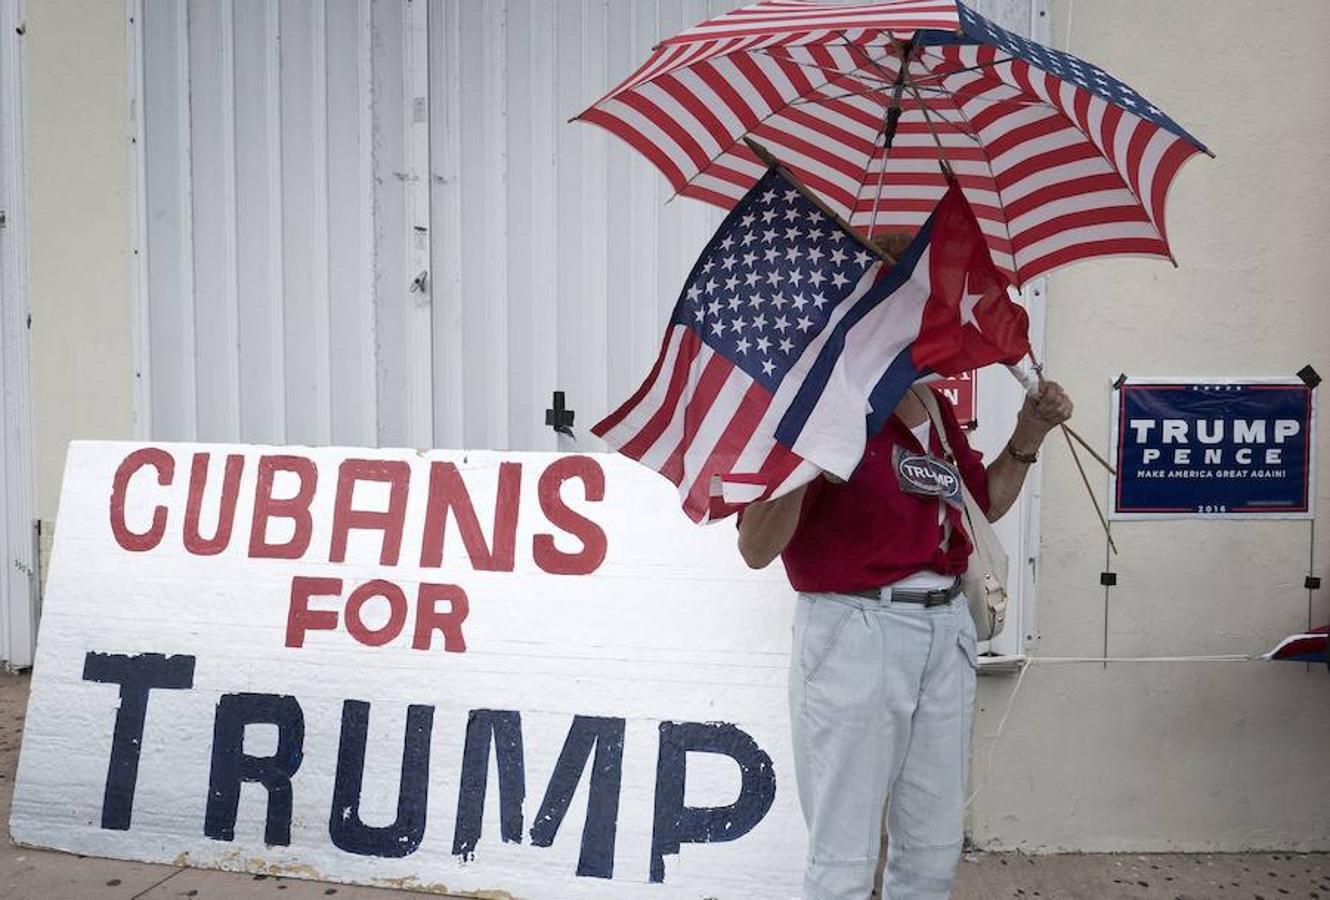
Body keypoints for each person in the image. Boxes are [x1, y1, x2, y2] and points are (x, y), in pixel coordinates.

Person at [736, 240, 1073, 899]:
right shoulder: (813, 402)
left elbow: (985, 506)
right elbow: (756, 546)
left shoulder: (934, 408)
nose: (930, 314)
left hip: (943, 630)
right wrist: (810, 458)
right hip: (856, 631)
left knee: (931, 849)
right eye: (912, 298)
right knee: (843, 860)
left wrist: (1029, 432)